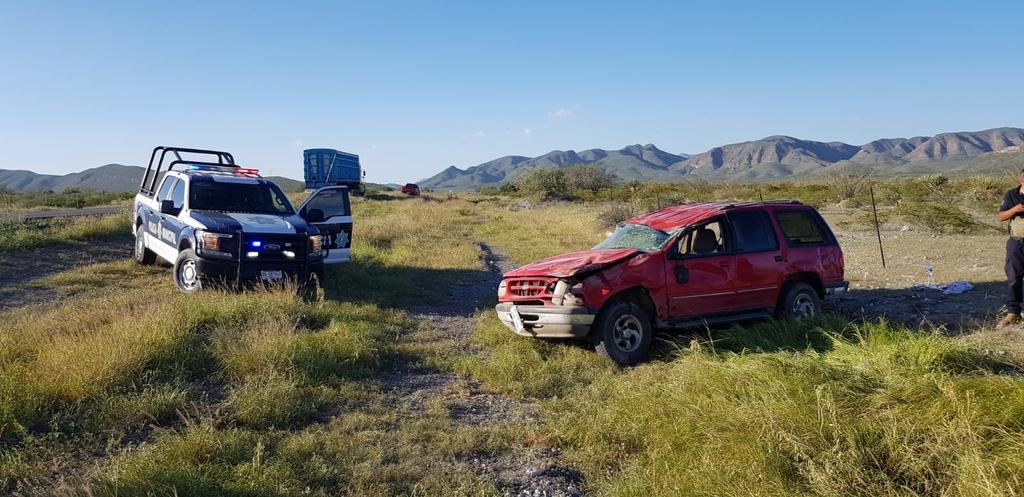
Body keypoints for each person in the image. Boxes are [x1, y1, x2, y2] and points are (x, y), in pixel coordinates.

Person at [998, 169, 1024, 327]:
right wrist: (1016, 209)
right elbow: (1001, 216)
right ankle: (1013, 312)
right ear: (1022, 180)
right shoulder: (1011, 195)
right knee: (1014, 276)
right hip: (1017, 242)